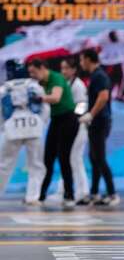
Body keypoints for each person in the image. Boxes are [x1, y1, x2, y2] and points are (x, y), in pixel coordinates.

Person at [27, 59, 78, 209]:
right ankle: (41, 196)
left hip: (68, 119)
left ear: (42, 67)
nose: (32, 75)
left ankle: (69, 195)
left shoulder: (56, 78)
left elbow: (55, 98)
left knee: (64, 157)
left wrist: (39, 99)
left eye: (34, 72)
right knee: (47, 159)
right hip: (56, 120)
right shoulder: (41, 82)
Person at [0, 61, 49, 205]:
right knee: (36, 164)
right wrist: (41, 122)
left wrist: (3, 127)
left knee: (4, 165)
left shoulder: (4, 89)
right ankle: (32, 197)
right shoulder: (34, 86)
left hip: (13, 127)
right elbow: (45, 108)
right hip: (33, 126)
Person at [78, 49, 119, 206]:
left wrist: (91, 114)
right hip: (95, 122)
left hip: (101, 121)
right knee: (94, 158)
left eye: (82, 60)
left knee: (100, 158)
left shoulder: (99, 75)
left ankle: (112, 193)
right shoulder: (94, 76)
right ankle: (94, 193)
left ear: (88, 59)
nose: (81, 64)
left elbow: (103, 97)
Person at [54, 57, 90, 202]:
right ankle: (63, 190)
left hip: (77, 127)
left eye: (66, 68)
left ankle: (82, 192)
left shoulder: (78, 85)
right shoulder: (64, 83)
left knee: (75, 159)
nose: (63, 71)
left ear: (74, 70)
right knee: (66, 158)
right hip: (68, 127)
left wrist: (72, 119)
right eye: (62, 68)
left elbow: (82, 105)